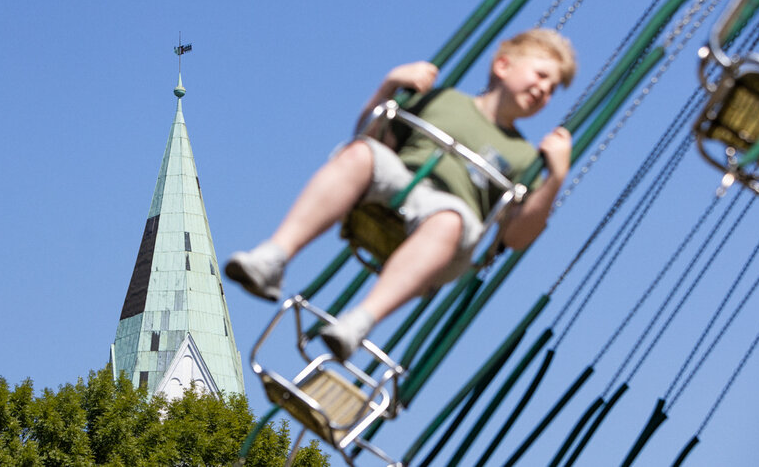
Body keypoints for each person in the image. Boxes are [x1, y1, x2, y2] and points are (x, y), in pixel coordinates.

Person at [226, 28, 576, 361]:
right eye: (542, 75)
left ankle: (360, 321)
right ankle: (274, 256)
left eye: (554, 88)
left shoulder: (524, 156)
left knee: (450, 220)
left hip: (447, 219)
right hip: (398, 184)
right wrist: (390, 85)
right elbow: (372, 135)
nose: (545, 90)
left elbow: (515, 237)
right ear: (503, 65)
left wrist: (555, 177)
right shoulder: (445, 99)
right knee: (361, 153)